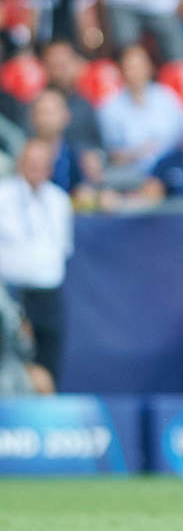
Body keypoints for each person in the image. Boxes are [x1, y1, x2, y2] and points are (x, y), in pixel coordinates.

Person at [0, 139, 73, 388]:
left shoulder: (59, 200)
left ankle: (45, 423)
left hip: (50, 295)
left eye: (42, 163)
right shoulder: (3, 196)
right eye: (31, 162)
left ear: (50, 167)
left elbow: (62, 248)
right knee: (12, 365)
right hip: (13, 295)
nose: (36, 168)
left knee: (49, 364)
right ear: (20, 163)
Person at [96, 44, 183, 191]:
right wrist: (136, 153)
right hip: (132, 172)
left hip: (170, 168)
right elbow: (110, 154)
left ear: (149, 68)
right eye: (130, 67)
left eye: (140, 66)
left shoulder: (166, 97)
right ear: (121, 71)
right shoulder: (109, 107)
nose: (135, 72)